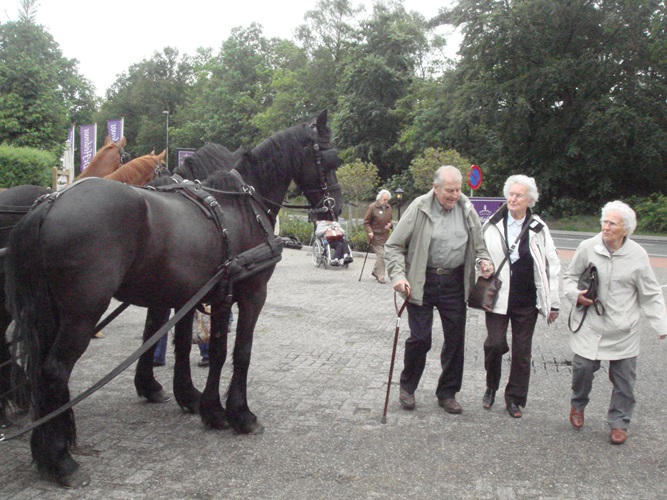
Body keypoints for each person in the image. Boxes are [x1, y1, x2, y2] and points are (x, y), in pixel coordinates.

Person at [385, 165, 494, 414]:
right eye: (449, 190)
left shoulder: (467, 209)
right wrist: (399, 276)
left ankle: (447, 393)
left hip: (454, 282)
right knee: (421, 338)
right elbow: (393, 246)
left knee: (455, 340)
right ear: (435, 188)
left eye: (457, 190)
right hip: (422, 280)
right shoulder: (419, 207)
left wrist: (484, 262)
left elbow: (480, 247)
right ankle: (408, 387)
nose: (454, 195)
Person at [564, 200, 667, 445]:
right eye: (604, 221)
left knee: (624, 382)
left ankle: (619, 423)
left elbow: (651, 293)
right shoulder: (588, 247)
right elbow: (569, 277)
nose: (606, 227)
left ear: (625, 229)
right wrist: (574, 294)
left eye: (612, 223)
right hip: (590, 324)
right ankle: (578, 404)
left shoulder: (638, 255)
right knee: (582, 369)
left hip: (623, 328)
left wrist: (661, 325)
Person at [480, 175, 560, 418]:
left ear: (530, 201)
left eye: (519, 196)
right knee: (494, 344)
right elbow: (479, 251)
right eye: (511, 194)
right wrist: (481, 262)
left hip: (526, 299)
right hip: (497, 296)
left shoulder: (538, 228)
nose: (513, 199)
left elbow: (551, 265)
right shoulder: (491, 223)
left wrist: (553, 303)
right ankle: (491, 386)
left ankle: (514, 399)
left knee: (522, 352)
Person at [363, 189, 393, 284]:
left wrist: (390, 225)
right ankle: (381, 276)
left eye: (388, 200)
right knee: (382, 256)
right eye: (384, 200)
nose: (386, 202)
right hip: (375, 236)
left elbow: (390, 221)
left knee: (384, 256)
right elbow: (366, 222)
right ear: (379, 199)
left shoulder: (389, 208)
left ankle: (375, 271)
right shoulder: (372, 207)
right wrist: (370, 232)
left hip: (385, 236)